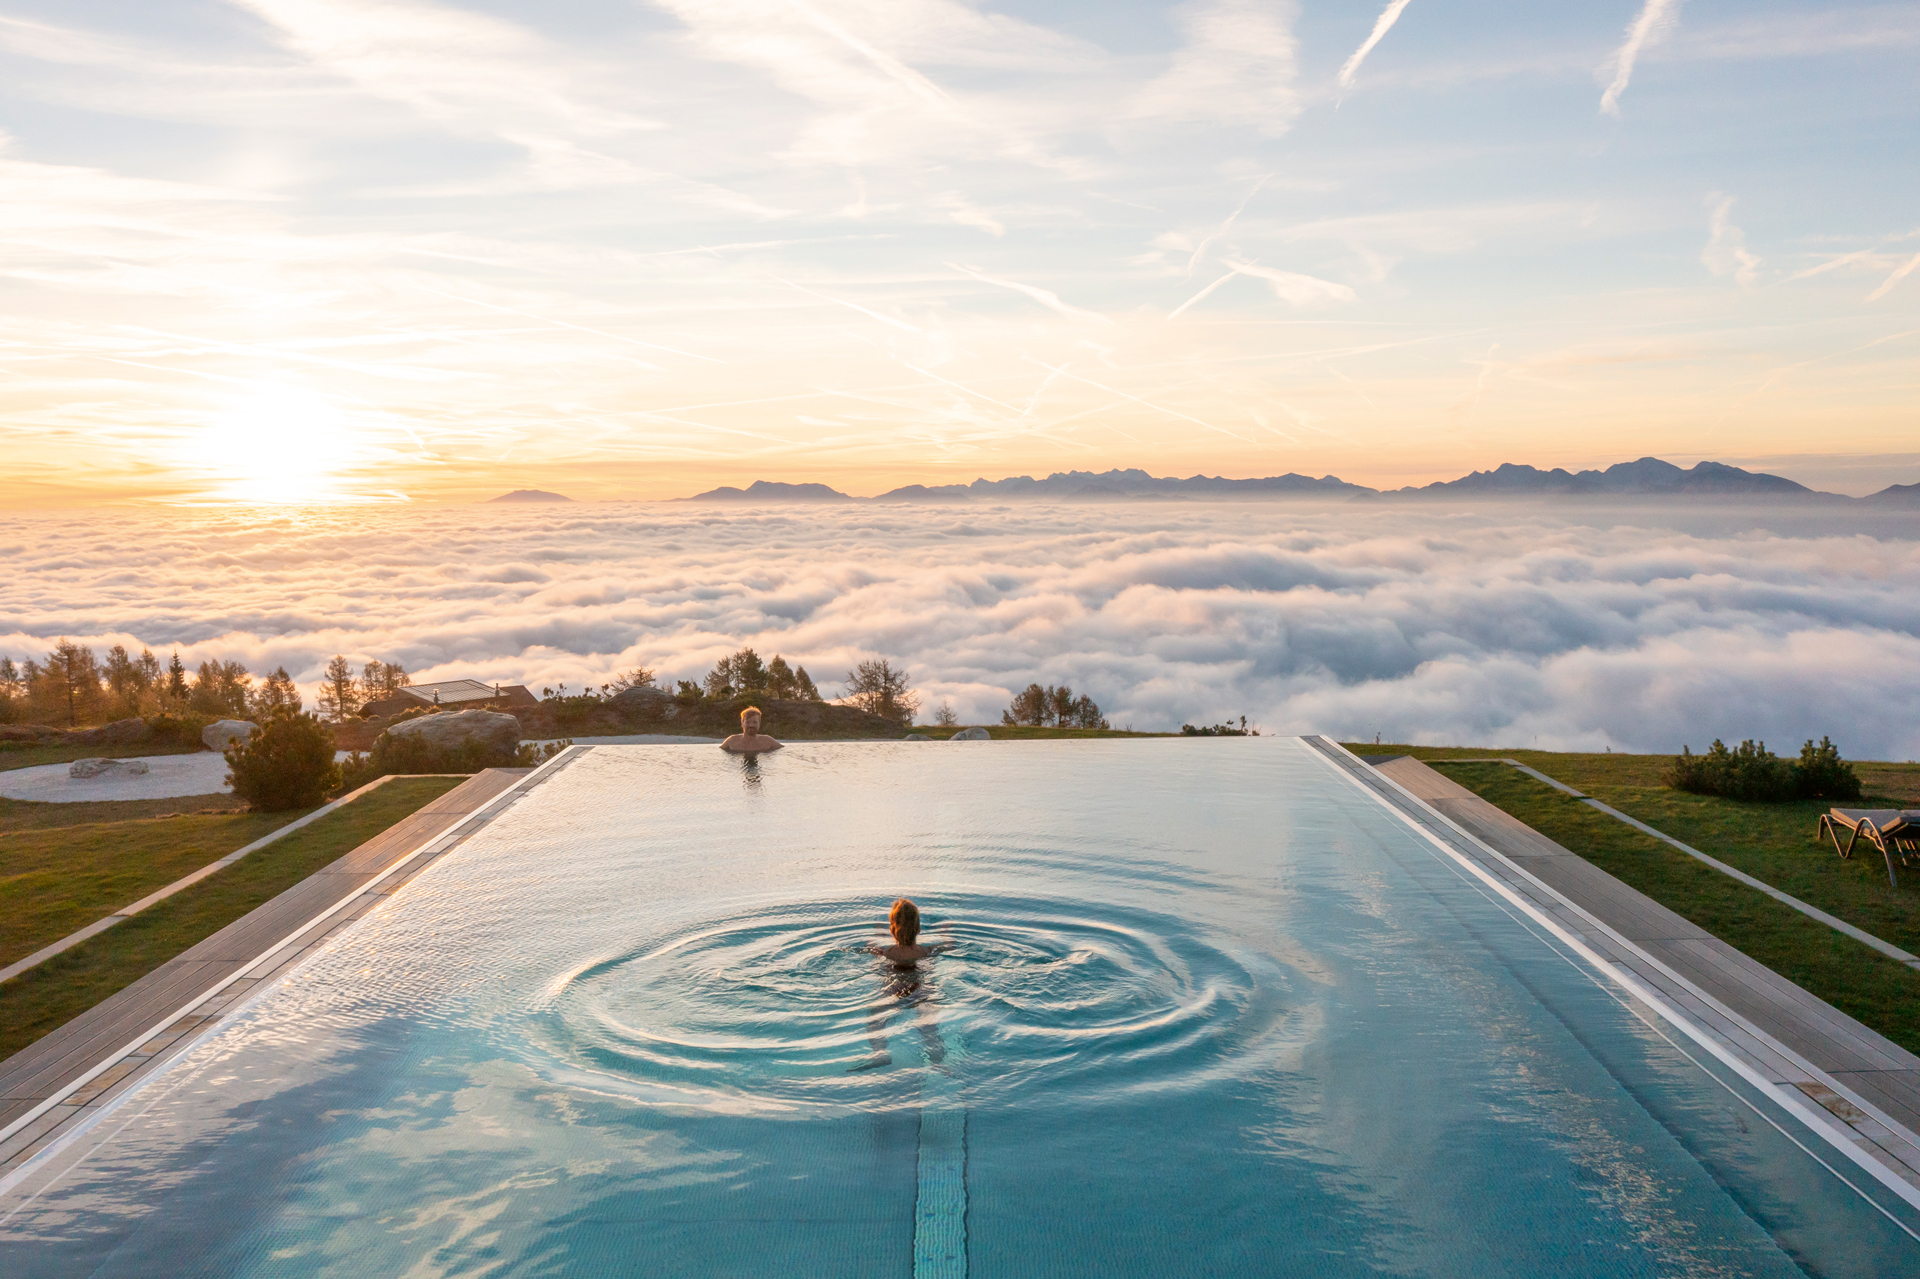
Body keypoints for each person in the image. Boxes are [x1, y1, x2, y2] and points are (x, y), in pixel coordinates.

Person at [852, 898, 954, 1072]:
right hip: (921, 989)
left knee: (875, 1020)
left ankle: (880, 1052)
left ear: (892, 930)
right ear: (919, 929)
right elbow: (949, 946)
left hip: (892, 990)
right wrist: (945, 931)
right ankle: (937, 1061)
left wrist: (878, 932)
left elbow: (870, 946)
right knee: (929, 1026)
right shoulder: (927, 951)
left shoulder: (886, 953)